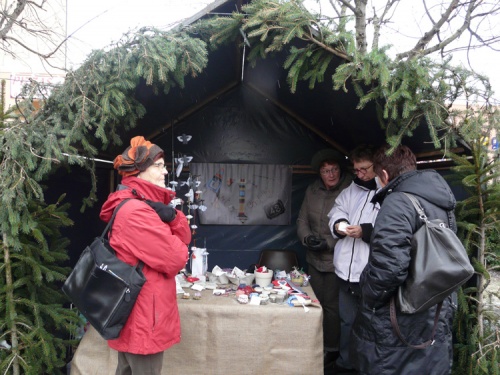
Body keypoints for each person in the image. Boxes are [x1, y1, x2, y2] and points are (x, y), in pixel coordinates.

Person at [350, 145, 456, 375]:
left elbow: (390, 268)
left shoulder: (397, 202)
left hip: (398, 321)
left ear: (384, 176)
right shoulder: (440, 200)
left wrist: (368, 296)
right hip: (435, 310)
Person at [100, 136, 191, 375]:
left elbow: (184, 240)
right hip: (143, 318)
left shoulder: (141, 206)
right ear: (139, 172)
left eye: (165, 166)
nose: (166, 172)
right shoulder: (136, 212)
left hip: (139, 314)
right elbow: (178, 258)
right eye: (158, 166)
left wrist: (172, 216)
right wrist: (172, 221)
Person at [297, 149, 352, 375]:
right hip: (313, 259)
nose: (330, 174)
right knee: (313, 304)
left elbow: (350, 226)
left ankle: (330, 349)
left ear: (340, 170)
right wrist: (306, 237)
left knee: (330, 308)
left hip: (335, 261)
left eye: (334, 169)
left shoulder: (350, 190)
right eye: (325, 170)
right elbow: (301, 219)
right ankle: (312, 346)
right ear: (319, 172)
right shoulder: (312, 190)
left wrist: (328, 243)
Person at [327, 144, 379, 373]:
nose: (359, 174)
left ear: (376, 167)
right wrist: (339, 225)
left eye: (363, 169)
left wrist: (366, 231)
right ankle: (345, 363)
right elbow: (337, 210)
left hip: (368, 273)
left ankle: (365, 366)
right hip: (344, 272)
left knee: (369, 324)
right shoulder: (351, 190)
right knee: (346, 321)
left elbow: (394, 229)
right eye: (356, 169)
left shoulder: (387, 191)